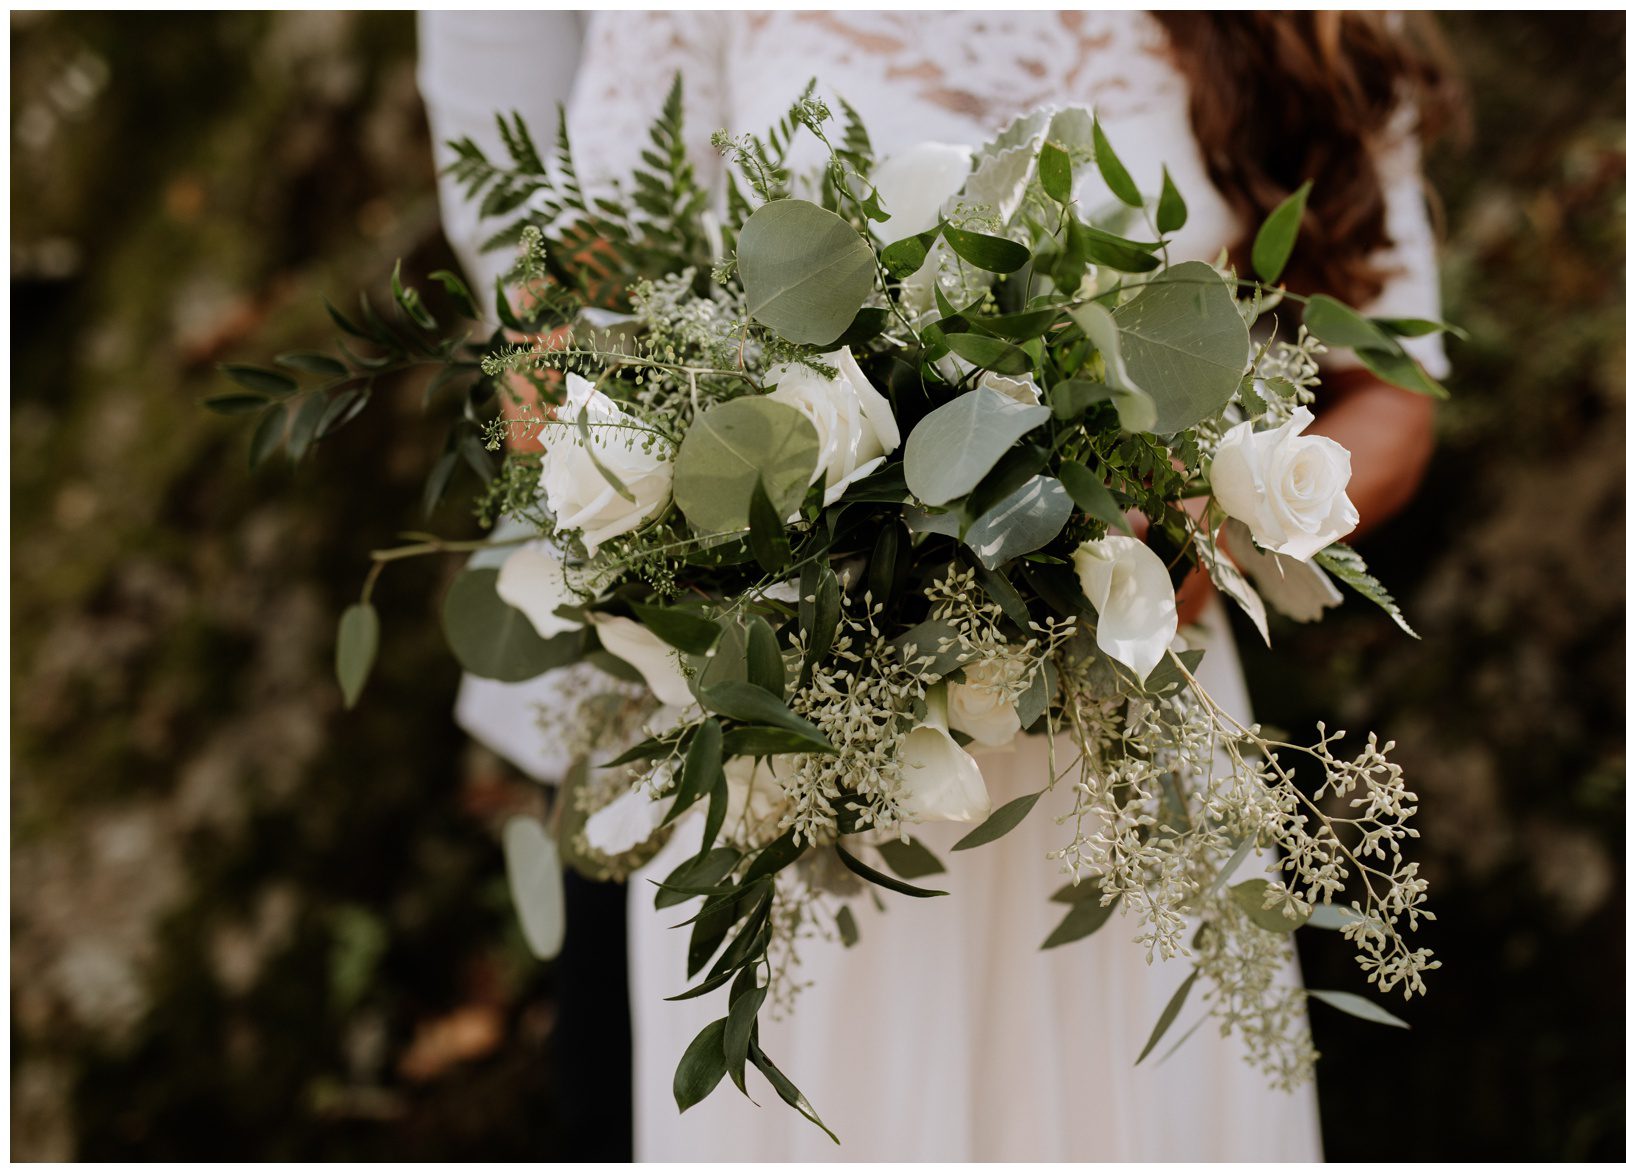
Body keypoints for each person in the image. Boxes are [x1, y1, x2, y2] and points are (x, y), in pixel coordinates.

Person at [418, 11, 1458, 1161]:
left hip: (1129, 738)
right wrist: (679, 502)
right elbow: (568, 308)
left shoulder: (1287, 27)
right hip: (800, 770)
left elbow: (1395, 397)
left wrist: (1198, 533)